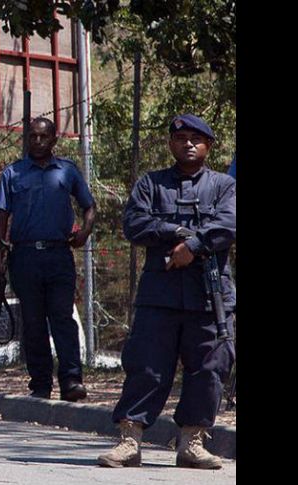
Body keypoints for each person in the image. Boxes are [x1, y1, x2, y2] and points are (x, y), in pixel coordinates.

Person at [97, 114, 235, 469]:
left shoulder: (224, 186)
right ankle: (130, 441)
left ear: (209, 146)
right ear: (171, 144)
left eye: (196, 138)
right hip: (159, 295)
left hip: (209, 296)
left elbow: (228, 223)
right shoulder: (151, 184)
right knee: (147, 367)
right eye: (181, 138)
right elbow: (135, 223)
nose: (188, 143)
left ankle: (192, 443)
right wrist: (176, 233)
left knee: (208, 370)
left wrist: (194, 246)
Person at [0, 116, 96, 402]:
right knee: (34, 321)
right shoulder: (13, 173)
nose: (37, 141)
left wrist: (84, 232)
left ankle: (71, 380)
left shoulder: (67, 171)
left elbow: (89, 206)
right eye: (32, 136)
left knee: (62, 318)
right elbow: (0, 218)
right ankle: (40, 383)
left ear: (53, 140)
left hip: (59, 255)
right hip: (24, 257)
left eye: (43, 136)